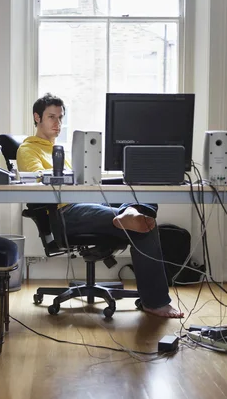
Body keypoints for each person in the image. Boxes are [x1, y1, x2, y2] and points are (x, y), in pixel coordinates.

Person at [17, 93, 183, 319]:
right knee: (143, 227)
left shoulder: (59, 150)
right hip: (66, 212)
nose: (58, 124)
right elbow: (38, 181)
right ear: (37, 118)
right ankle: (155, 301)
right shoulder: (28, 149)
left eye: (61, 118)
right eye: (51, 117)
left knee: (142, 193)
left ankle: (132, 211)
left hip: (85, 202)